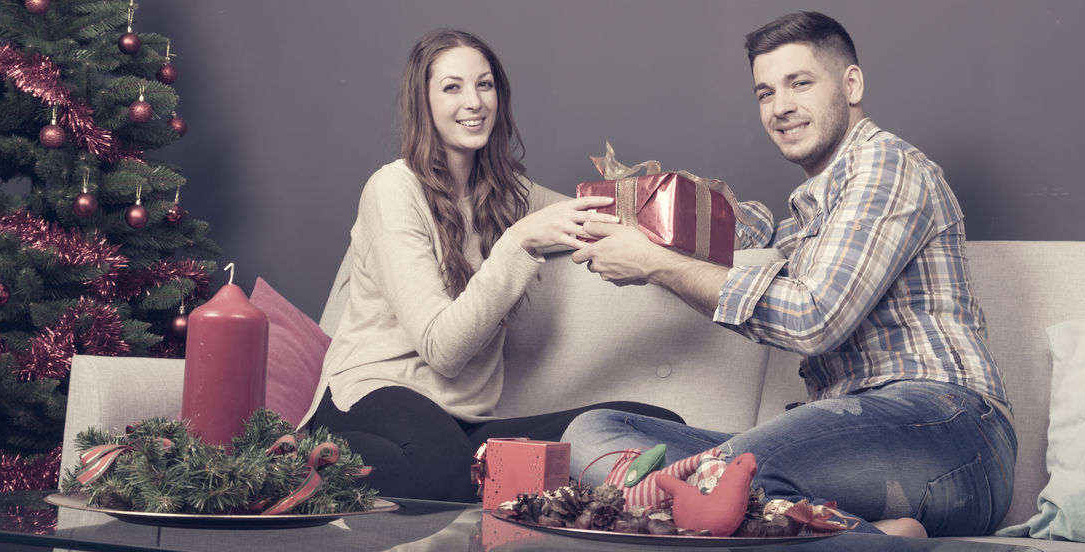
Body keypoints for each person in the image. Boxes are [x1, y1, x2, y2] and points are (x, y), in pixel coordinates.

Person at [563, 11, 1016, 538]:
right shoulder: (803, 220)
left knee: (724, 476)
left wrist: (656, 265)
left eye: (799, 83)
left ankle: (700, 496)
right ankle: (848, 532)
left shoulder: (888, 166)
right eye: (764, 93)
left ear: (851, 85)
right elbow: (727, 235)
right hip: (845, 441)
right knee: (592, 433)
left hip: (949, 430)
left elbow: (812, 317)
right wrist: (590, 217)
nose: (780, 107)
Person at [297, 29, 682, 502]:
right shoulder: (393, 189)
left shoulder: (509, 193)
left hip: (465, 426)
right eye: (452, 87)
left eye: (485, 85)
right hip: (373, 393)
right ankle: (307, 454)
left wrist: (719, 225)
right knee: (439, 473)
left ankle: (478, 474)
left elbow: (604, 217)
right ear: (424, 102)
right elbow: (442, 349)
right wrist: (519, 241)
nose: (474, 101)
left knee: (651, 427)